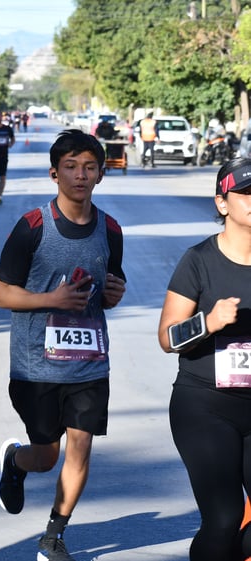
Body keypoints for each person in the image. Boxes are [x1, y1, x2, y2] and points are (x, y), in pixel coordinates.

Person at [0, 129, 126, 561]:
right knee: (47, 457)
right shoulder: (32, 227)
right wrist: (51, 299)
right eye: (70, 167)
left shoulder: (109, 228)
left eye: (89, 167)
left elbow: (111, 285)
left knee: (81, 445)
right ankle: (16, 461)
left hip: (89, 363)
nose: (80, 175)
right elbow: (0, 294)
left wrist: (113, 294)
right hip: (36, 366)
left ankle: (54, 535)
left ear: (101, 174)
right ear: (55, 173)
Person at [157, 158, 251, 561]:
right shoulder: (199, 260)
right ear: (222, 203)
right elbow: (166, 337)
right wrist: (208, 323)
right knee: (224, 517)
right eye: (246, 193)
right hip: (206, 406)